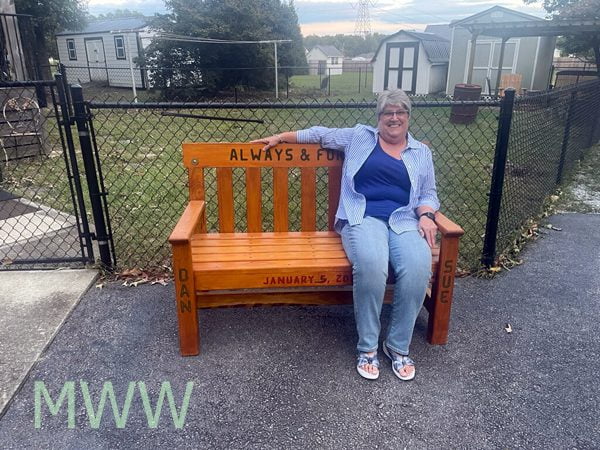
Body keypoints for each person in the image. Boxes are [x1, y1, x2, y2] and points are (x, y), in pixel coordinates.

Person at [252, 89, 439, 381]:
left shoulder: (421, 152)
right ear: (378, 118)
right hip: (362, 217)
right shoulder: (359, 137)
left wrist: (427, 216)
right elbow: (319, 134)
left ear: (408, 116)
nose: (394, 117)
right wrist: (280, 137)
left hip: (404, 220)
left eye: (400, 112)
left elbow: (428, 192)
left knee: (418, 267)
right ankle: (367, 348)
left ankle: (397, 347)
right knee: (371, 265)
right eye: (387, 112)